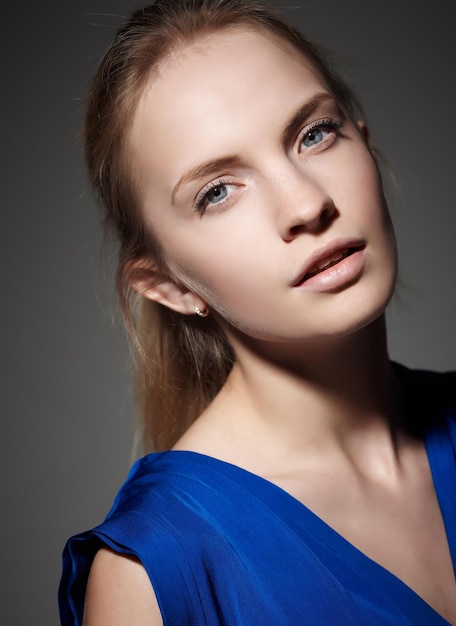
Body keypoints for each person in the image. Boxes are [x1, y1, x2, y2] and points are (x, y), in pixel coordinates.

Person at [58, 0, 456, 624]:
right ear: (166, 284)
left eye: (314, 134)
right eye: (217, 191)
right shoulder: (156, 576)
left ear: (365, 144)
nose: (306, 204)